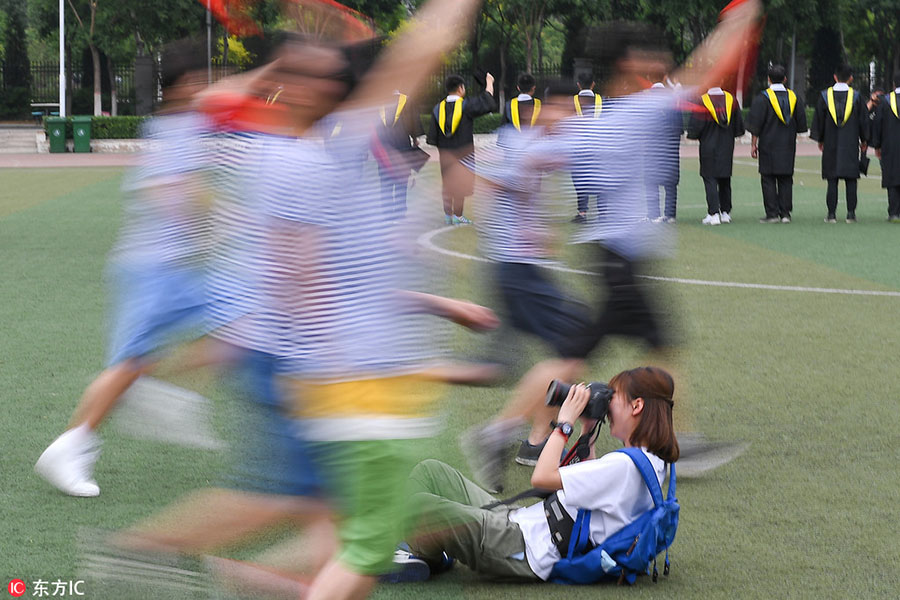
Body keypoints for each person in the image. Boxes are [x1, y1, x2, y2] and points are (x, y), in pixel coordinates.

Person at [461, 1, 761, 493]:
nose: (660, 60)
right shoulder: (639, 110)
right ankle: (671, 445)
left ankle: (497, 432)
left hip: (611, 257)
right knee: (658, 345)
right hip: (619, 259)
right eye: (649, 54)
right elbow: (707, 75)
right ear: (628, 64)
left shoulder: (596, 121)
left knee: (583, 354)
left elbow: (528, 161)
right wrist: (738, 22)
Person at [34, 38, 216, 498]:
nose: (209, 85)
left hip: (166, 268)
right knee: (126, 364)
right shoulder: (178, 128)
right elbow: (165, 189)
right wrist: (215, 223)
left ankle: (150, 390)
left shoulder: (177, 123)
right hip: (153, 268)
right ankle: (71, 445)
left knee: (239, 316)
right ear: (187, 83)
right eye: (203, 78)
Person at [400, 367, 678, 582]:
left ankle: (424, 554)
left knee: (418, 507)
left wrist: (564, 424)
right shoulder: (651, 464)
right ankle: (429, 545)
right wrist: (587, 432)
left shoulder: (625, 466)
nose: (607, 407)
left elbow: (542, 477)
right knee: (433, 472)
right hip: (525, 524)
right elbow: (592, 490)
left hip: (520, 547)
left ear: (637, 406)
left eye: (613, 399)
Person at [427, 72, 496, 225]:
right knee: (461, 183)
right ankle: (458, 216)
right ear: (460, 88)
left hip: (445, 154)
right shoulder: (466, 105)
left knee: (448, 182)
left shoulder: (438, 109)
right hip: (464, 153)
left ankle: (447, 216)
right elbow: (488, 102)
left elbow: (432, 137)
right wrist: (489, 82)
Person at [747, 63, 808, 223]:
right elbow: (801, 125)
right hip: (787, 145)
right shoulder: (795, 98)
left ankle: (772, 213)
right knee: (786, 178)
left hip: (768, 144)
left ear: (769, 79)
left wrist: (754, 144)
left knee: (768, 178)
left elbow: (756, 125)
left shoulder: (762, 99)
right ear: (785, 79)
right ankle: (785, 213)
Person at [810, 64, 869, 223]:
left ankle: (831, 214)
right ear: (851, 78)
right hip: (850, 144)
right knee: (851, 179)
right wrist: (864, 140)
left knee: (832, 179)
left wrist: (820, 139)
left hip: (831, 143)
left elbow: (819, 122)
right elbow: (864, 122)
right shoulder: (856, 97)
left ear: (835, 77)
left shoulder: (824, 96)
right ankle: (851, 214)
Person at [687, 84, 745, 225]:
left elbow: (696, 128)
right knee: (725, 178)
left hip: (708, 146)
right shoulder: (731, 100)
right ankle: (725, 212)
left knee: (710, 178)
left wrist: (695, 134)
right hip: (726, 145)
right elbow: (739, 128)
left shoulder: (702, 102)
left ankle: (713, 213)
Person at [373, 89, 425, 217]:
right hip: (402, 145)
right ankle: (400, 212)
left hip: (384, 148)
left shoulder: (378, 100)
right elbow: (413, 124)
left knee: (385, 181)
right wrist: (414, 139)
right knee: (402, 180)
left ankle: (386, 212)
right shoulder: (406, 100)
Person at [647, 81, 683, 223]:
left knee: (651, 183)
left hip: (653, 152)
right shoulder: (674, 109)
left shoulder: (649, 109)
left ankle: (654, 214)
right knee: (670, 184)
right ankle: (670, 214)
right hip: (670, 151)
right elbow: (680, 131)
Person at [571, 71, 602, 223]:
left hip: (578, 148)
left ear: (578, 85)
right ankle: (603, 213)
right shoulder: (603, 101)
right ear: (593, 84)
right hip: (599, 147)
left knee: (580, 179)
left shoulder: (572, 102)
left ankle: (582, 213)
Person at [870, 70, 900, 222]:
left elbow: (877, 124)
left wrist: (877, 145)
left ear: (894, 85)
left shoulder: (885, 102)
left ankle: (893, 212)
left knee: (893, 176)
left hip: (890, 145)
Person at [498, 73, 541, 145]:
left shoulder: (509, 105)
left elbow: (503, 128)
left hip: (513, 147)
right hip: (534, 149)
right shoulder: (540, 105)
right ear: (533, 88)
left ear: (518, 87)